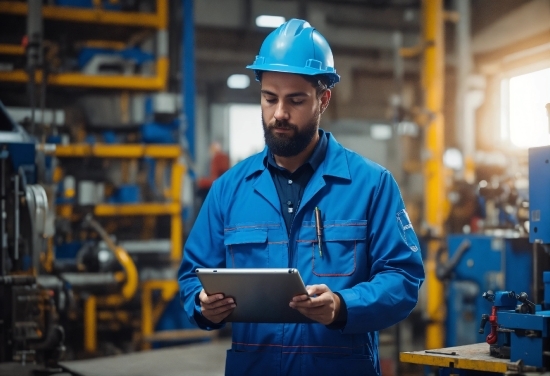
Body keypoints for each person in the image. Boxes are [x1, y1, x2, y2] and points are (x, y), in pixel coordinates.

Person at [178, 19, 424, 376]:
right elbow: (191, 276)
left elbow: (404, 278)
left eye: (295, 100)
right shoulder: (228, 190)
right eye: (269, 98)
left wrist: (343, 305)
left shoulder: (371, 185)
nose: (279, 113)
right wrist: (201, 304)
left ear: (323, 99)